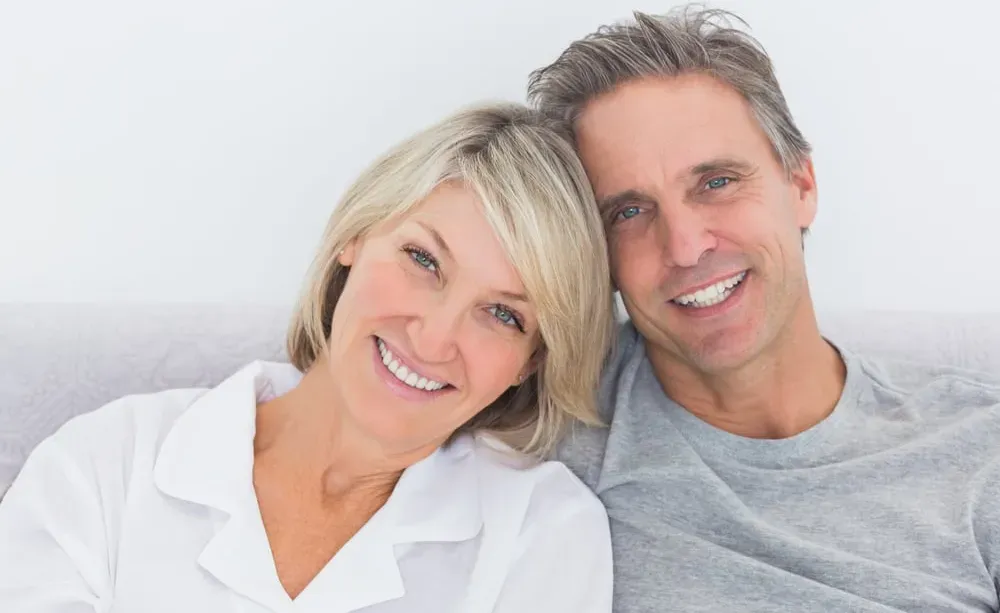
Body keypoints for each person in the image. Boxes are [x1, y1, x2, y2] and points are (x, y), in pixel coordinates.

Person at [0, 103, 616, 612]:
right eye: (423, 260)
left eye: (504, 314)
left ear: (531, 362)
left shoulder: (542, 535)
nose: (433, 339)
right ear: (355, 236)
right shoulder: (103, 467)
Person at [528, 6, 1000, 612]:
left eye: (717, 182)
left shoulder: (979, 450)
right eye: (629, 211)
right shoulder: (542, 430)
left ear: (801, 186)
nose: (686, 245)